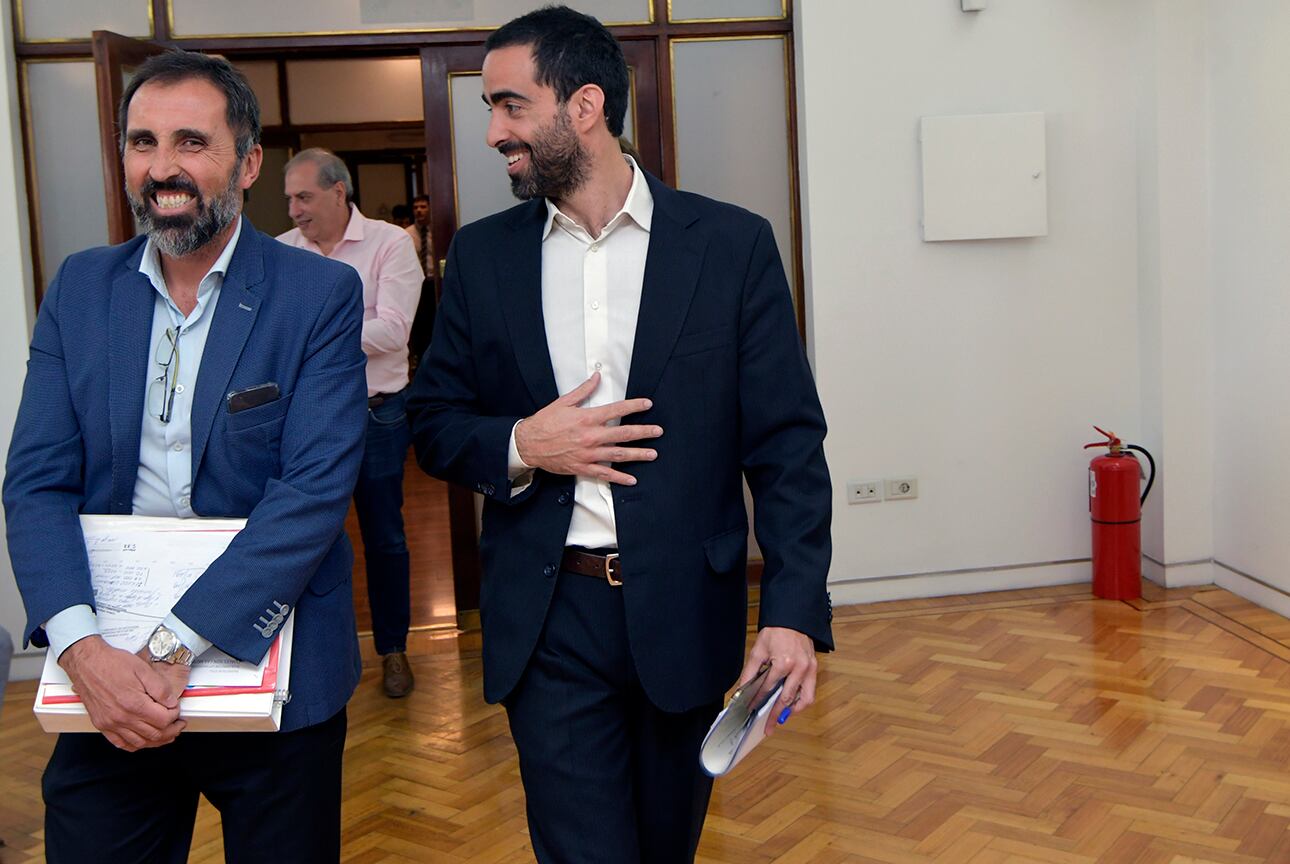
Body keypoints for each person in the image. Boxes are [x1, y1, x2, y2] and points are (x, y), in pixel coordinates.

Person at [406, 7, 833, 862]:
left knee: (665, 846)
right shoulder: (484, 259)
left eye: (511, 105)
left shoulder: (732, 247)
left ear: (586, 105)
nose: (492, 131)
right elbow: (431, 423)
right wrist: (526, 444)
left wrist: (791, 613)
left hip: (686, 611)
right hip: (548, 616)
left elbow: (786, 446)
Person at [2, 50, 367, 863]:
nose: (162, 168)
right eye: (141, 142)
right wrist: (84, 651)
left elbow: (310, 494)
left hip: (271, 667)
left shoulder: (316, 296)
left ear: (248, 161)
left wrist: (170, 649)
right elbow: (35, 483)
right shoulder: (80, 289)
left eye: (190, 143)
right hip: (108, 675)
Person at [277, 148, 423, 698]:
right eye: (290, 198)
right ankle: (313, 658)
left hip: (377, 416)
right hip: (305, 424)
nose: (293, 209)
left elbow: (393, 333)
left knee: (385, 540)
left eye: (304, 197)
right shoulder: (281, 253)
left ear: (339, 192)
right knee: (307, 540)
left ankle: (393, 651)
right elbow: (270, 341)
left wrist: (311, 333)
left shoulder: (390, 245)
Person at [405, 193, 437, 367]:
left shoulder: (438, 231)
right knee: (419, 324)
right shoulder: (407, 234)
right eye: (416, 208)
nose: (419, 211)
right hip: (417, 284)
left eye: (423, 207)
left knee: (434, 321)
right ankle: (419, 359)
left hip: (434, 283)